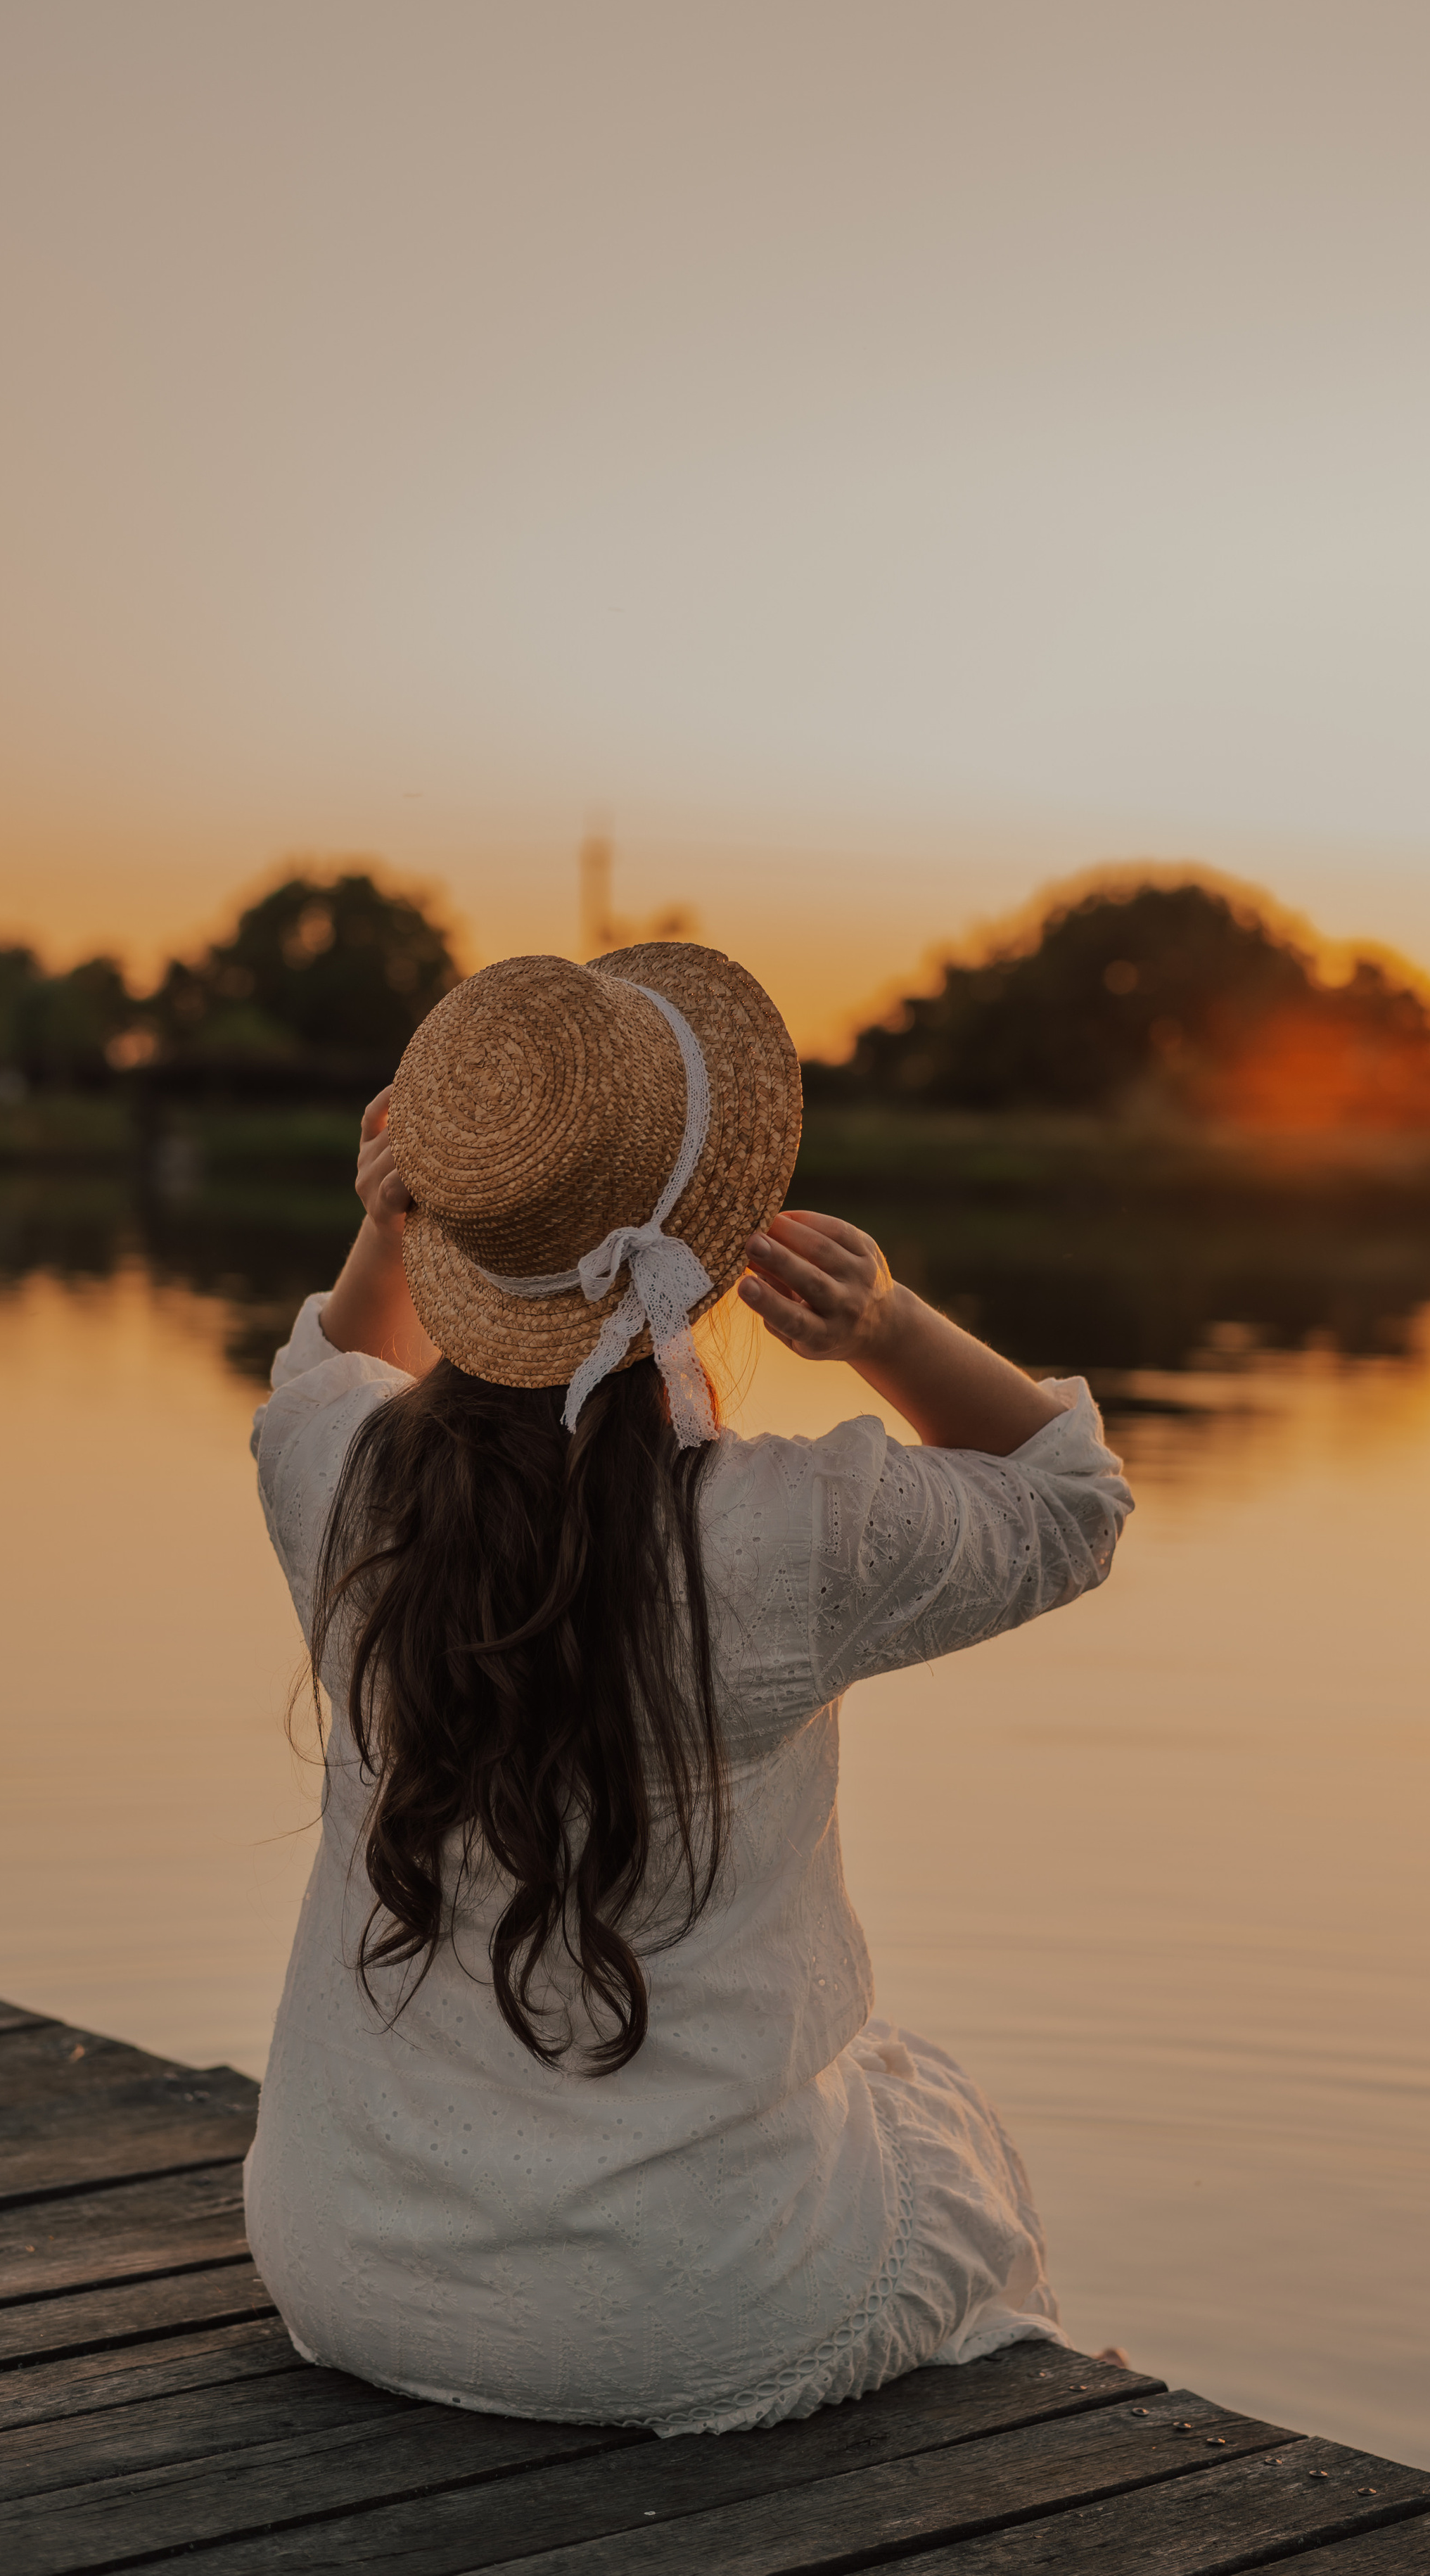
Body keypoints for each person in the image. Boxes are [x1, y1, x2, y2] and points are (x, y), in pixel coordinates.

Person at [245, 943, 1133, 2433]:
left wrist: (393, 1231)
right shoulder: (791, 1533)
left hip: (344, 2278)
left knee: (889, 2092)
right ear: (708, 1239)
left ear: (437, 1221)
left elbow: (325, 1368)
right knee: (934, 2115)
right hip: (686, 2317)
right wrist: (884, 1326)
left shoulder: (334, 1476)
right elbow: (1067, 1498)